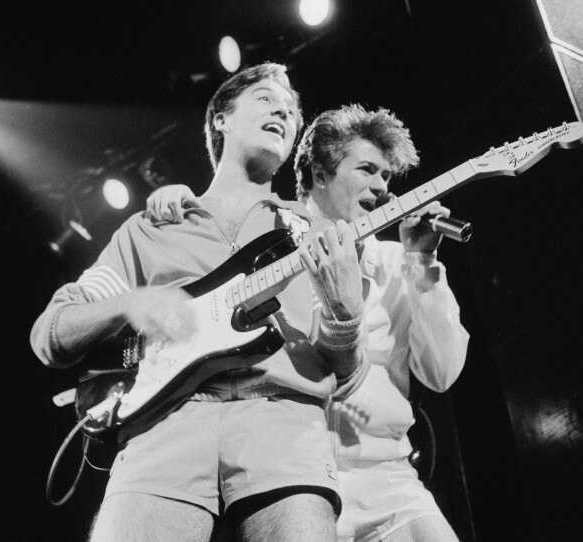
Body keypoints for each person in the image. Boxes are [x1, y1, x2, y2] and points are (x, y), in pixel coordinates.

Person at [30, 64, 371, 542]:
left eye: (293, 111)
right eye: (266, 98)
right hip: (162, 430)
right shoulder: (150, 229)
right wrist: (130, 302)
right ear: (221, 120)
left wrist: (345, 317)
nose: (284, 111)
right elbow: (52, 334)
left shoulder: (317, 235)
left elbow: (349, 376)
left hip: (282, 426)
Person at [148, 104, 469, 541]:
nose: (381, 188)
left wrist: (423, 262)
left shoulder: (400, 263)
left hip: (386, 480)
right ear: (320, 174)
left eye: (387, 177)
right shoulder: (263, 245)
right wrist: (177, 201)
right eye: (367, 170)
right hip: (287, 481)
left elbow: (442, 373)